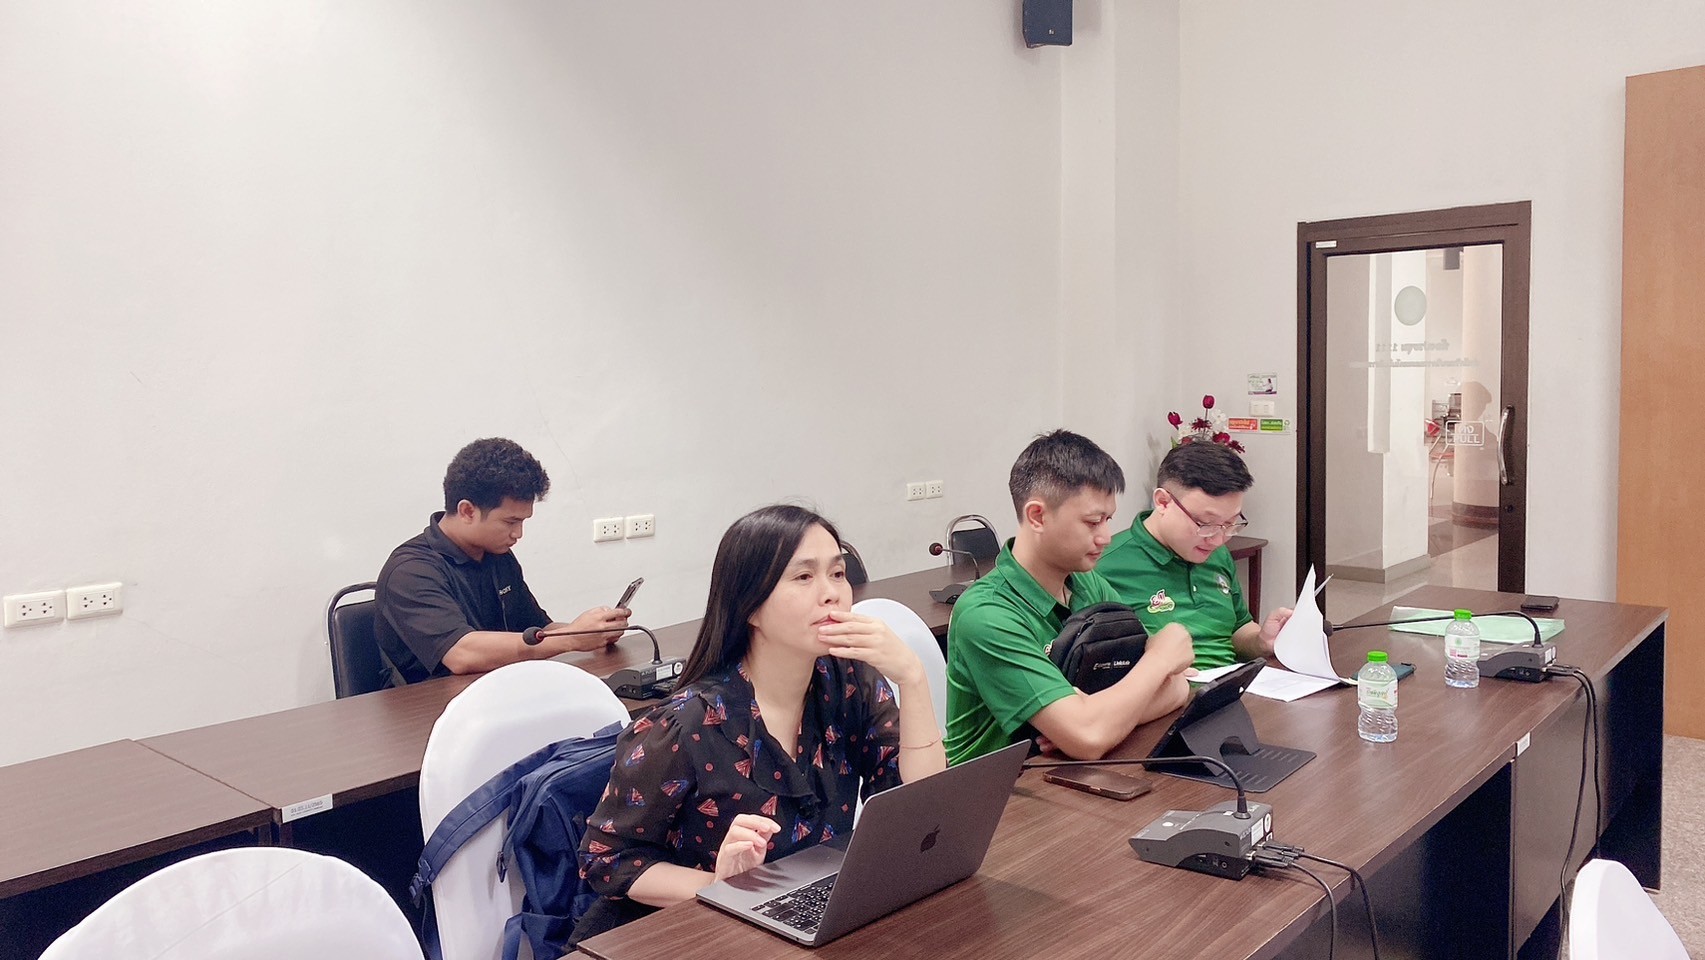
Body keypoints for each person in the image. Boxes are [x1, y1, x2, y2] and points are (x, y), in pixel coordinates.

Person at [572, 505, 945, 940]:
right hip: (684, 933)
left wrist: (912, 678)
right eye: (803, 577)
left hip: (798, 916)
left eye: (838, 573)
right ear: (750, 606)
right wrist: (718, 886)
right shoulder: (688, 724)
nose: (831, 594)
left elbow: (918, 804)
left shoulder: (848, 682)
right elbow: (605, 860)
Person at [944, 431, 1194, 765]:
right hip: (1000, 789)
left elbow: (1176, 686)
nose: (1106, 537)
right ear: (1037, 516)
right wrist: (1159, 660)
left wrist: (1095, 717)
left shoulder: (1087, 583)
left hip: (1067, 772)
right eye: (1092, 522)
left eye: (1108, 520)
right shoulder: (986, 614)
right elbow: (1090, 737)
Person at [373, 438, 631, 685]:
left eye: (523, 522)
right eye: (510, 522)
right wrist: (571, 639)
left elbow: (538, 629)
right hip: (428, 706)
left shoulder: (498, 555)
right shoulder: (410, 571)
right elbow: (461, 654)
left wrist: (591, 633)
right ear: (467, 511)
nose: (518, 534)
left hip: (500, 689)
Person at [1096, 441, 1292, 671]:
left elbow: (1238, 629)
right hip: (1164, 690)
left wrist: (1261, 641)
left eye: (1230, 524)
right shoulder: (1104, 565)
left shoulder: (1217, 554)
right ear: (1163, 502)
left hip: (1233, 683)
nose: (1218, 540)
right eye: (1206, 524)